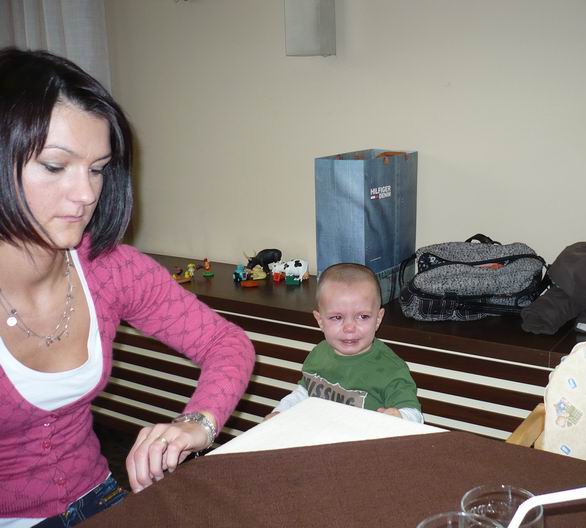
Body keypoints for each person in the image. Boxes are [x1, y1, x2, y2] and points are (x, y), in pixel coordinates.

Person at [0, 47, 255, 527]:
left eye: (97, 169)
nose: (86, 194)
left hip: (98, 498)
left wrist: (196, 423)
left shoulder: (110, 268)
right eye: (55, 166)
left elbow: (227, 343)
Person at [268, 263, 422, 422]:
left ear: (378, 319)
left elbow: (415, 415)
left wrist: (400, 417)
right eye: (337, 317)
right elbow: (304, 392)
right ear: (320, 321)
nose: (349, 328)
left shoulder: (391, 369)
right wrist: (280, 412)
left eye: (363, 316)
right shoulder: (318, 353)